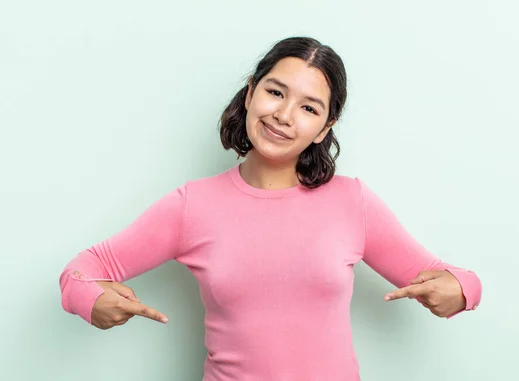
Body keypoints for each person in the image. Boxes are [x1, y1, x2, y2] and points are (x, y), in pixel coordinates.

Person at [59, 36, 482, 380]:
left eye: (309, 107)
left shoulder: (352, 202)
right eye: (275, 92)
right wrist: (88, 298)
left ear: (324, 128)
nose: (283, 114)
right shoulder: (192, 206)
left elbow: (454, 277)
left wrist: (463, 291)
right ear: (250, 95)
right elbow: (81, 270)